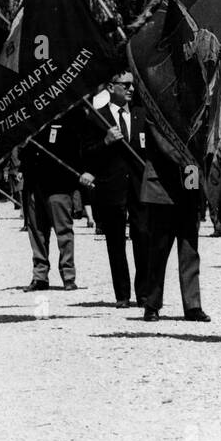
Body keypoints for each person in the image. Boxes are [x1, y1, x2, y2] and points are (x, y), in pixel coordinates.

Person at [80, 73, 150, 307]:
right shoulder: (97, 118)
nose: (131, 89)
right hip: (112, 186)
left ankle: (143, 292)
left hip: (139, 186)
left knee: (142, 237)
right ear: (111, 87)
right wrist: (106, 142)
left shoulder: (141, 115)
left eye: (133, 85)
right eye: (125, 85)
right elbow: (87, 152)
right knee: (116, 242)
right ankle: (122, 294)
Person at [140, 125, 209, 322]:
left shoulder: (193, 113)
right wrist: (191, 157)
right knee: (159, 249)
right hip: (162, 187)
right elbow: (165, 145)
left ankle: (193, 305)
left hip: (189, 180)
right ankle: (152, 304)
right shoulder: (156, 108)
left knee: (190, 250)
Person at [20, 118, 82, 292]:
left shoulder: (67, 121)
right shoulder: (32, 124)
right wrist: (25, 146)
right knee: (37, 233)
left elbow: (75, 152)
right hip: (34, 184)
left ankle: (68, 275)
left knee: (63, 232)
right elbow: (24, 156)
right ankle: (40, 276)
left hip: (58, 185)